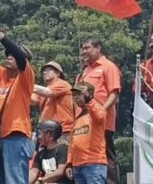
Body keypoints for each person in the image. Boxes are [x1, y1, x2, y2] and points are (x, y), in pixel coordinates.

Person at [0, 21, 35, 184]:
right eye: (6, 54)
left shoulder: (25, 77)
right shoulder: (3, 76)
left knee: (14, 181)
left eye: (12, 54)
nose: (8, 56)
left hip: (16, 136)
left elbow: (21, 59)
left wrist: (0, 36)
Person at [77, 37, 121, 184]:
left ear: (98, 48)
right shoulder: (85, 70)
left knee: (106, 157)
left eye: (87, 48)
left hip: (102, 120)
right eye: (83, 48)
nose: (84, 51)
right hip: (85, 122)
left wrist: (102, 110)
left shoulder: (108, 66)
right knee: (90, 157)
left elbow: (114, 93)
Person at [65, 82, 107, 184]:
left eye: (79, 94)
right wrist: (69, 163)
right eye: (74, 95)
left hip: (94, 164)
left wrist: (89, 100)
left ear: (89, 93)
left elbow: (100, 116)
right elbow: (72, 143)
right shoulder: (78, 117)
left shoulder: (97, 109)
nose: (76, 98)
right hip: (77, 165)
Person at [32, 61, 74, 143]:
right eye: (44, 71)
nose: (44, 72)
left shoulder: (63, 84)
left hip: (62, 132)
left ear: (58, 73)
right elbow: (33, 101)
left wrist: (26, 84)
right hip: (46, 133)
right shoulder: (44, 89)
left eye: (48, 70)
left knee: (60, 154)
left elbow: (47, 92)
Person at [30, 120, 73, 184]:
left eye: (39, 133)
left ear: (49, 134)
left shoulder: (62, 149)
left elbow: (60, 172)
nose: (38, 137)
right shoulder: (40, 154)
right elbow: (34, 172)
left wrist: (41, 180)